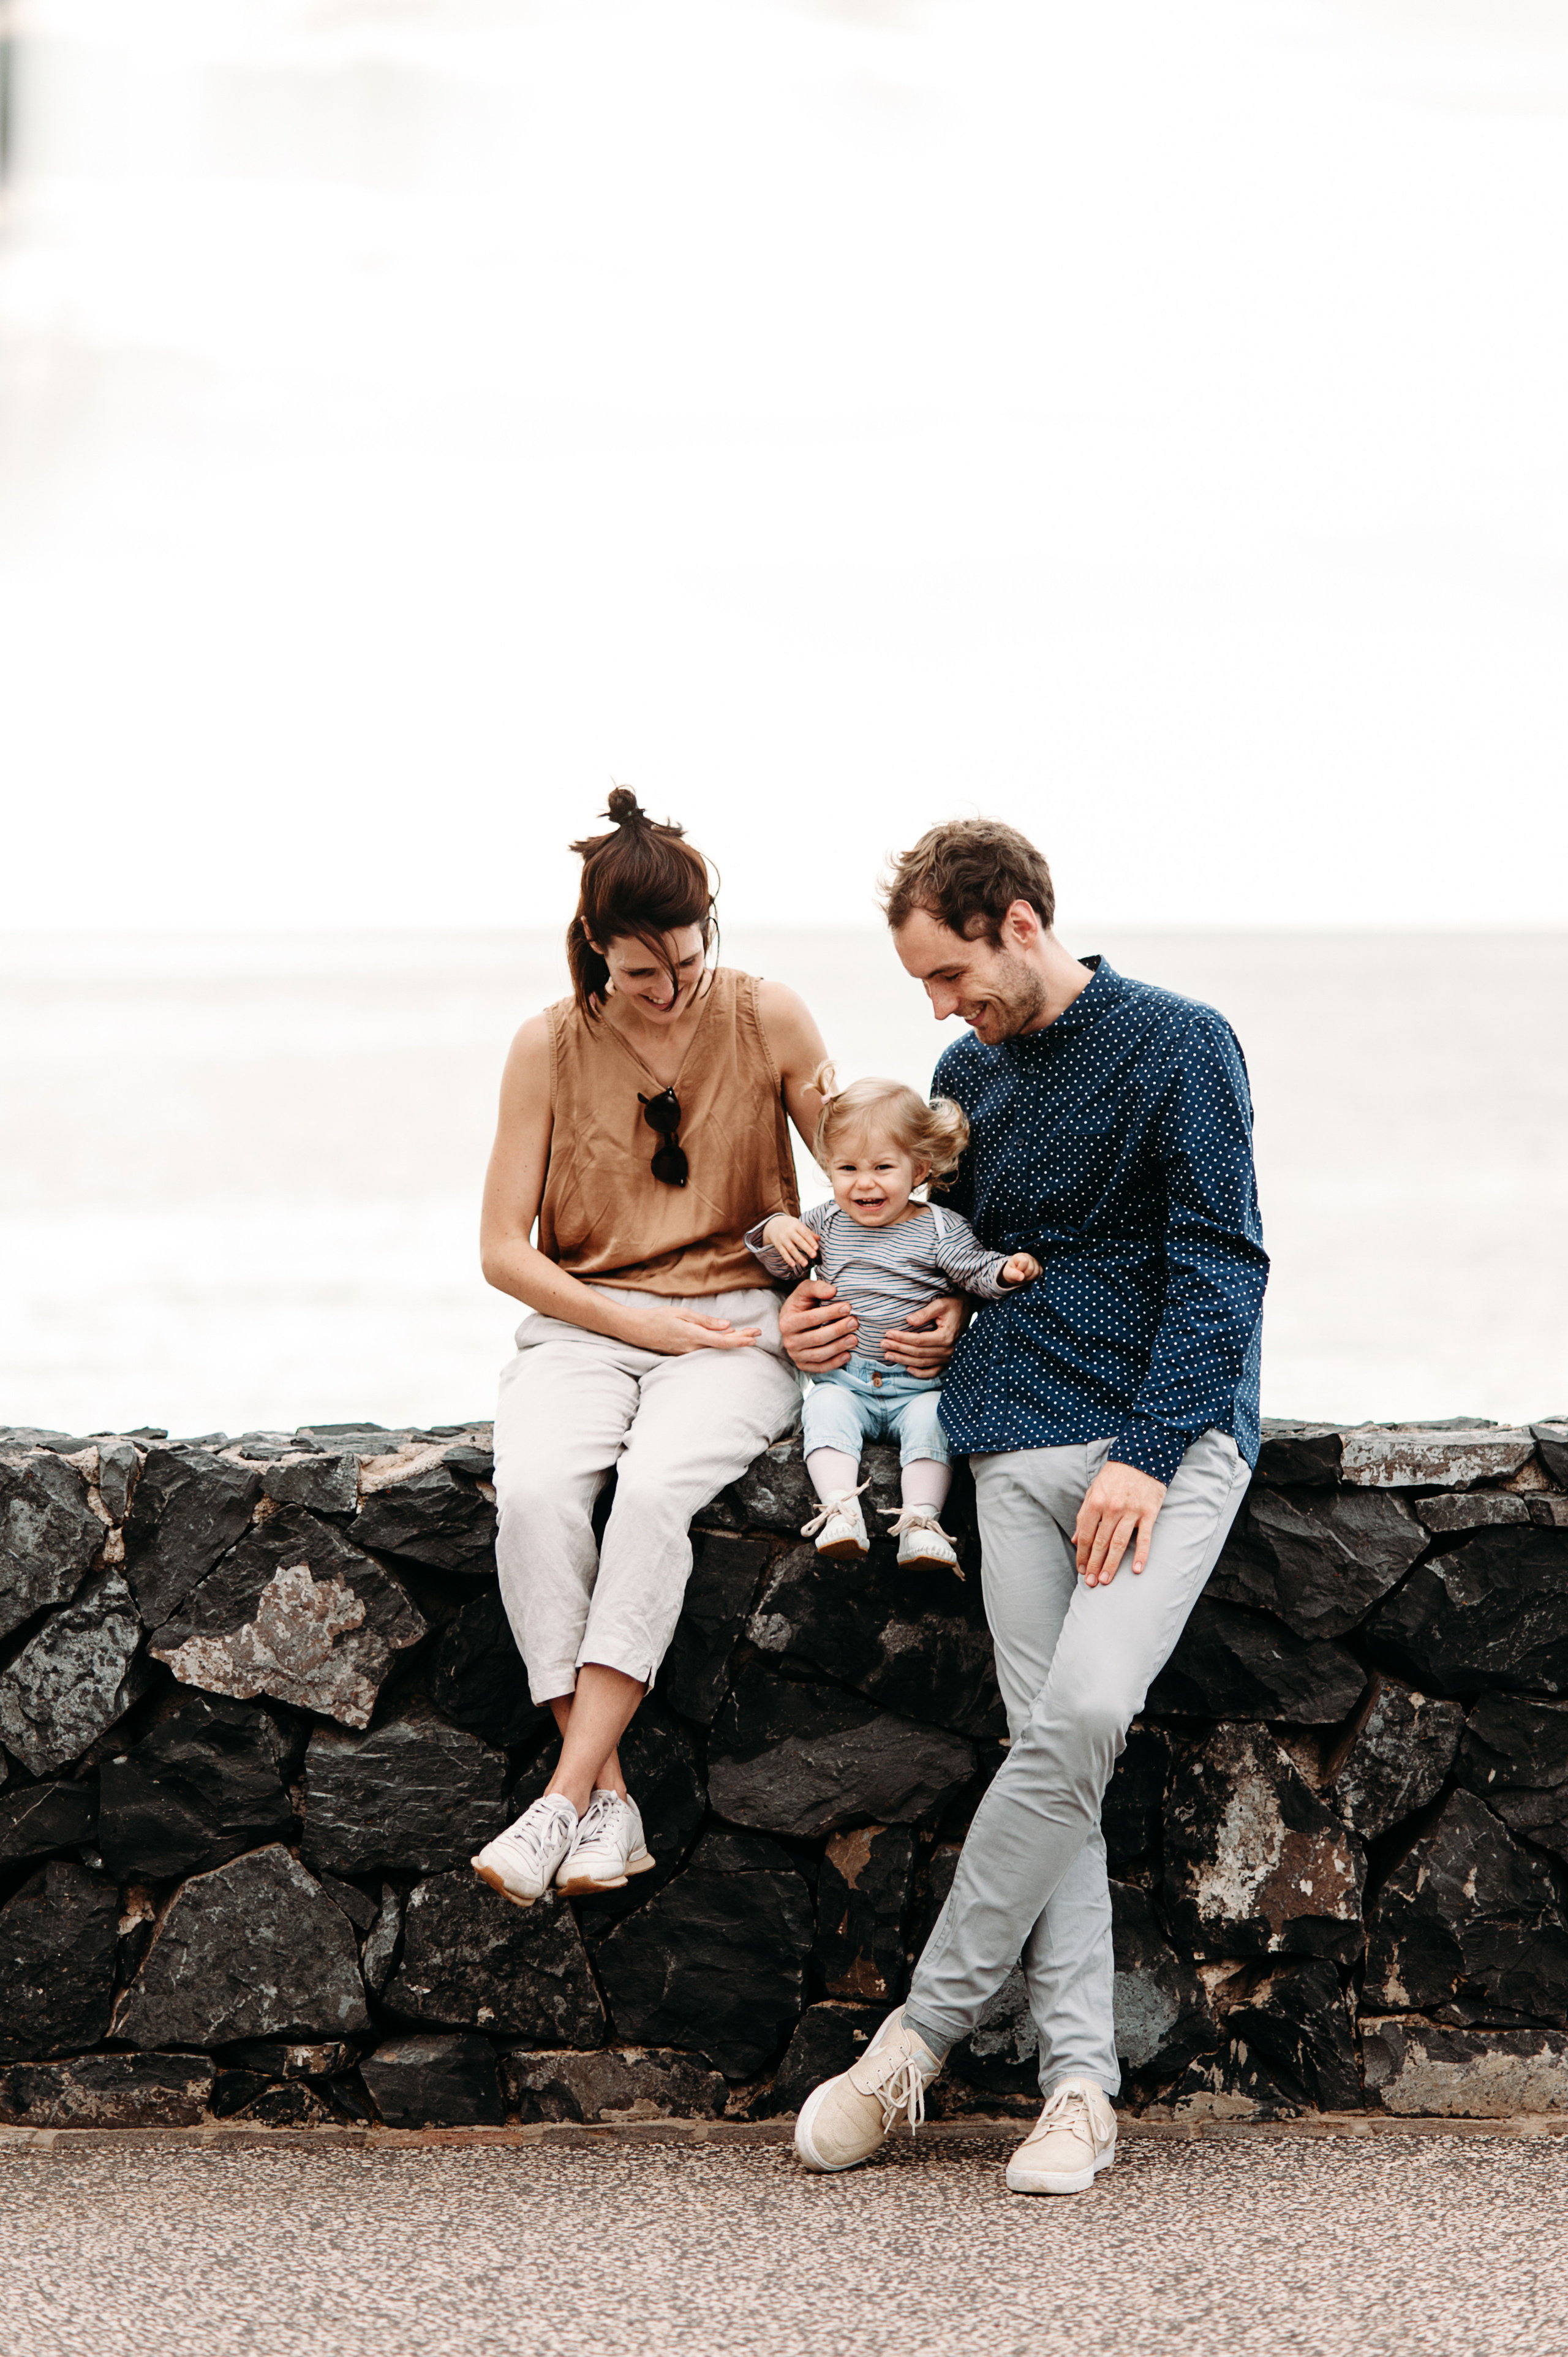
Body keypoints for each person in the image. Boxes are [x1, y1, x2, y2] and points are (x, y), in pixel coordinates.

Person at [785, 817, 1268, 2196]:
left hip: (1156, 1448)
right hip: (1003, 1435)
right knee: (1047, 1758)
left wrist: (1148, 1449)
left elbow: (1222, 1265)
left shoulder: (1181, 1042)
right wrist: (874, 1320)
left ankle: (911, 2042)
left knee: (1083, 1716)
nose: (939, 1009)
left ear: (1015, 921)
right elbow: (949, 1248)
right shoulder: (960, 1072)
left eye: (948, 971)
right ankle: (1075, 2089)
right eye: (924, 986)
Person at [472, 789, 831, 1907]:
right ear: (596, 948)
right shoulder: (546, 1043)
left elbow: (868, 1184)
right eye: (642, 971)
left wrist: (830, 1285)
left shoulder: (769, 1015)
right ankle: (607, 1798)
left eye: (685, 959)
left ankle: (559, 1800)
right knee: (533, 1493)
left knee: (654, 1491)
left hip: (736, 1324)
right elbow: (501, 1251)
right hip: (589, 1323)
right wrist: (633, 1322)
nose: (670, 988)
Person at [745, 1073, 1039, 1576]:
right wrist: (775, 1227)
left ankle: (922, 1523)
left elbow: (972, 1269)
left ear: (919, 1168)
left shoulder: (941, 1227)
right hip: (846, 1378)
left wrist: (1005, 1271)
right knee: (825, 1414)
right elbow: (782, 1264)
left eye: (883, 1166)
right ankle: (840, 1510)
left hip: (917, 1383)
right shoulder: (825, 1222)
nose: (864, 1182)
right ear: (829, 1168)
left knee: (934, 1424)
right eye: (847, 1167)